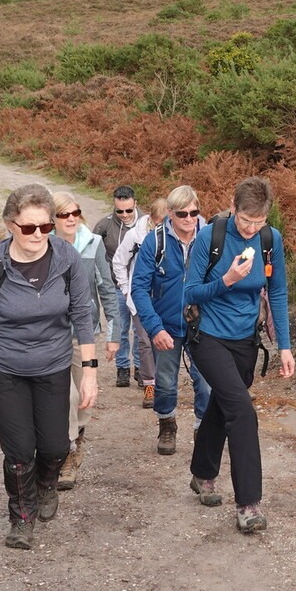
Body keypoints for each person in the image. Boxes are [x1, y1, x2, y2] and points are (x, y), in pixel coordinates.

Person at [0, 183, 99, 549]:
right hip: (2, 366)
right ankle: (21, 517)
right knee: (19, 449)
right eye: (28, 227)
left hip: (52, 363)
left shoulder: (67, 260)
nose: (38, 235)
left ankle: (46, 485)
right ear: (10, 225)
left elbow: (83, 313)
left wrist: (91, 372)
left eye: (45, 227)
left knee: (54, 446)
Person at [183, 177, 292, 533]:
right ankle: (248, 504)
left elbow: (277, 294)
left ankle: (202, 474)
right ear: (233, 207)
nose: (251, 229)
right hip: (208, 338)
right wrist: (227, 279)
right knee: (242, 411)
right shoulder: (209, 238)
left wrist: (285, 347)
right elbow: (191, 293)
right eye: (246, 221)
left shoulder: (269, 240)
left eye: (258, 222)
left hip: (246, 340)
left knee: (224, 404)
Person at [130, 185, 214, 455]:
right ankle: (167, 424)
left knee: (207, 381)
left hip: (204, 325)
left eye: (194, 212)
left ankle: (204, 429)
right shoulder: (155, 242)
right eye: (182, 214)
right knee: (165, 382)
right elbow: (139, 288)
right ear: (169, 213)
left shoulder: (211, 238)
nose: (189, 219)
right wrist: (154, 328)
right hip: (166, 326)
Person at [52, 190, 121, 490]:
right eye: (64, 214)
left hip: (85, 333)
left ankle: (78, 436)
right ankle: (66, 452)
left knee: (82, 395)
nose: (71, 219)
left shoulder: (92, 243)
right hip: (51, 333)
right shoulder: (44, 245)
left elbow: (106, 288)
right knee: (64, 395)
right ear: (52, 218)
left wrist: (114, 334)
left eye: (75, 212)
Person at [112, 193, 168, 409]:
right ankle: (150, 385)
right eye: (159, 223)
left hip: (166, 299)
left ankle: (165, 382)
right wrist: (127, 291)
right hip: (141, 298)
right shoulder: (135, 235)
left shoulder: (176, 234)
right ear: (152, 219)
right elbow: (118, 262)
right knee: (145, 341)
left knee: (167, 342)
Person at [93, 185, 140, 388]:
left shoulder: (147, 224)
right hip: (115, 286)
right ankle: (122, 368)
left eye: (128, 210)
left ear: (135, 204)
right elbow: (92, 251)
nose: (124, 215)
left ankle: (140, 367)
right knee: (120, 328)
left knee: (141, 330)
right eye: (119, 211)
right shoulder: (104, 225)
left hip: (140, 287)